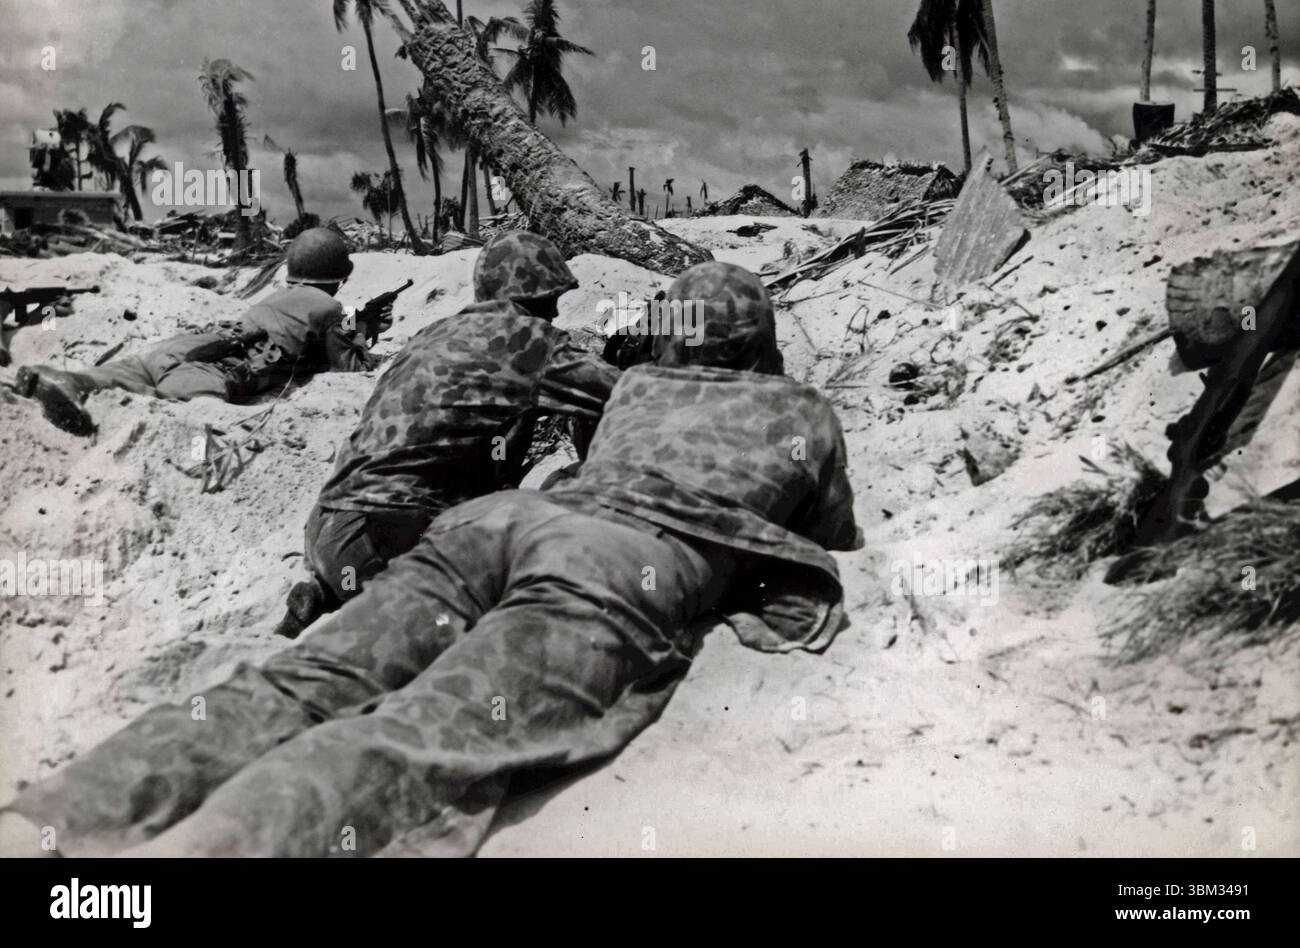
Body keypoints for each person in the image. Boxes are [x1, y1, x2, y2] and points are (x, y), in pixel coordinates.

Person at [0, 262, 860, 858]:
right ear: (760, 339)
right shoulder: (804, 409)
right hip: (610, 564)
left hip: (494, 525)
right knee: (416, 738)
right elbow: (831, 532)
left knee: (302, 682)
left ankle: (46, 824)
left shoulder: (637, 387)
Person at [275, 230, 621, 638]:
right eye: (552, 300)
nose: (557, 315)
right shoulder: (529, 341)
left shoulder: (434, 332)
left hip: (328, 530)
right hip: (392, 535)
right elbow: (629, 395)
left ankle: (328, 592)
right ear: (535, 297)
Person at [15, 228, 378, 437]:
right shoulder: (331, 309)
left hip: (188, 344)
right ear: (338, 278)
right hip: (214, 370)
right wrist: (362, 330)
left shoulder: (280, 295)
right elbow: (351, 367)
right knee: (160, 400)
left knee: (121, 374)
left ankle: (64, 379)